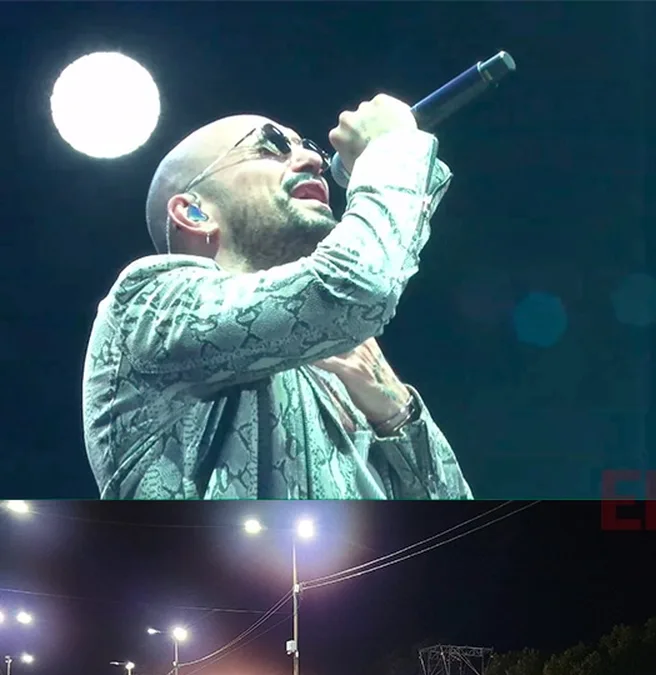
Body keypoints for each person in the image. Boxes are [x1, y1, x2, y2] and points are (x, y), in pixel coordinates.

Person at [85, 101, 470, 500]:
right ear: (195, 212)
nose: (313, 159)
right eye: (271, 146)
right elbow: (355, 285)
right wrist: (390, 150)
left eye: (307, 146)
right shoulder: (148, 304)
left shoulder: (339, 359)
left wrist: (398, 416)